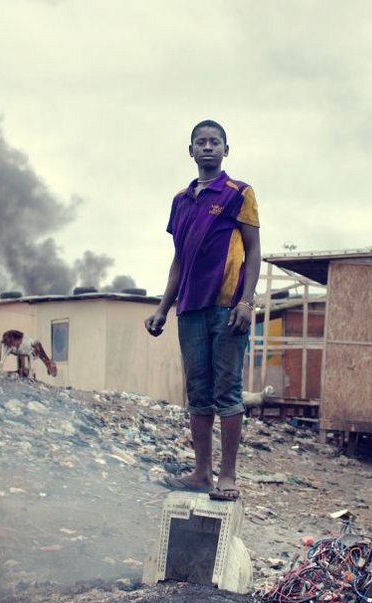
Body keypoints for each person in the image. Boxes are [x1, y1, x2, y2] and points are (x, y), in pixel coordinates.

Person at [145, 119, 261, 502]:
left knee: (227, 391)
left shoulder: (239, 193)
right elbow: (179, 259)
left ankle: (227, 476)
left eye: (215, 142)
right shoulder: (181, 201)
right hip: (190, 309)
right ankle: (200, 473)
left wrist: (246, 301)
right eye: (201, 142)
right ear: (191, 151)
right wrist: (163, 309)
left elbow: (254, 250)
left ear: (226, 150)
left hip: (227, 307)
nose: (207, 147)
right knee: (198, 393)